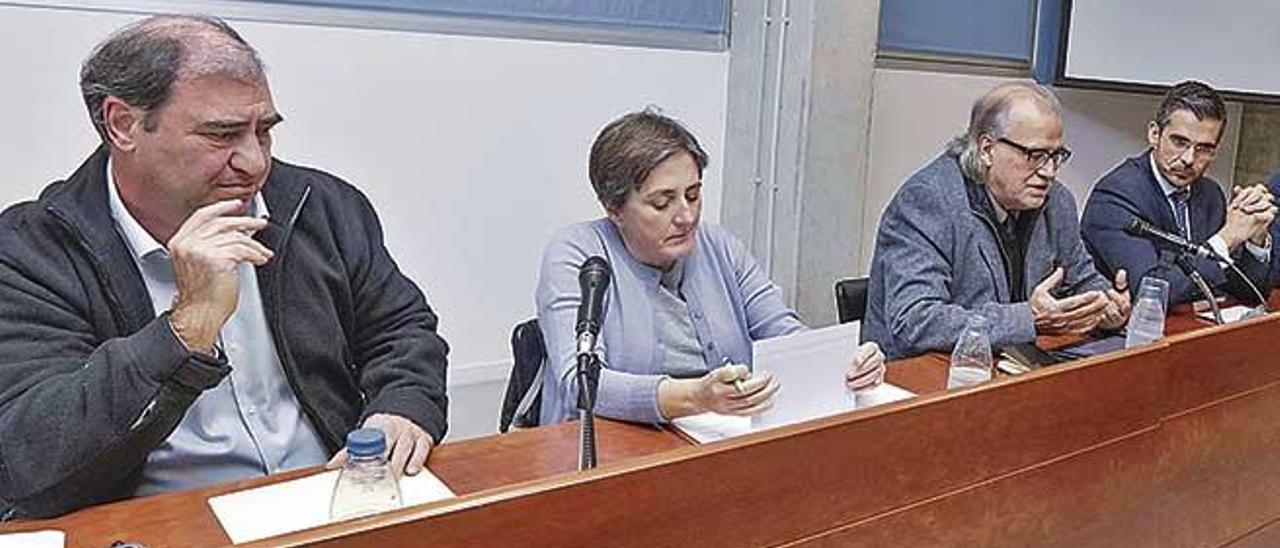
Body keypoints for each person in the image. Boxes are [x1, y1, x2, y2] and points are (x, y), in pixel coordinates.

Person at [0, 15, 448, 519]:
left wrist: (404, 405)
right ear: (123, 124)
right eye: (222, 135)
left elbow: (400, 328)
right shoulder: (30, 250)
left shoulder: (318, 206)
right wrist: (185, 330)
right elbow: (32, 454)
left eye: (264, 131)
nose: (255, 162)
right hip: (163, 523)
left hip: (330, 501)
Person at [535, 109, 886, 425]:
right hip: (612, 451)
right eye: (662, 202)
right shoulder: (578, 255)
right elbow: (583, 383)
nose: (686, 217)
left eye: (693, 195)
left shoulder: (717, 246)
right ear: (614, 208)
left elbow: (780, 328)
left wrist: (841, 361)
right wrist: (696, 397)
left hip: (716, 439)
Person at [863, 82, 1130, 360]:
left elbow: (1081, 279)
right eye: (1035, 155)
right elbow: (915, 321)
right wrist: (1029, 318)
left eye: (1056, 156)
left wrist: (1105, 305)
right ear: (987, 149)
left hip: (1013, 366)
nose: (1049, 172)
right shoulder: (929, 201)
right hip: (925, 377)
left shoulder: (1056, 201)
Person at [1081, 80, 1273, 306]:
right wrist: (1227, 239)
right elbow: (1150, 292)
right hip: (1128, 332)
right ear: (1155, 134)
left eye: (1204, 148)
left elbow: (1250, 294)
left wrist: (1255, 235)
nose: (1189, 159)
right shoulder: (1116, 195)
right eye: (1180, 142)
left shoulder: (1210, 194)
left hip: (1193, 327)